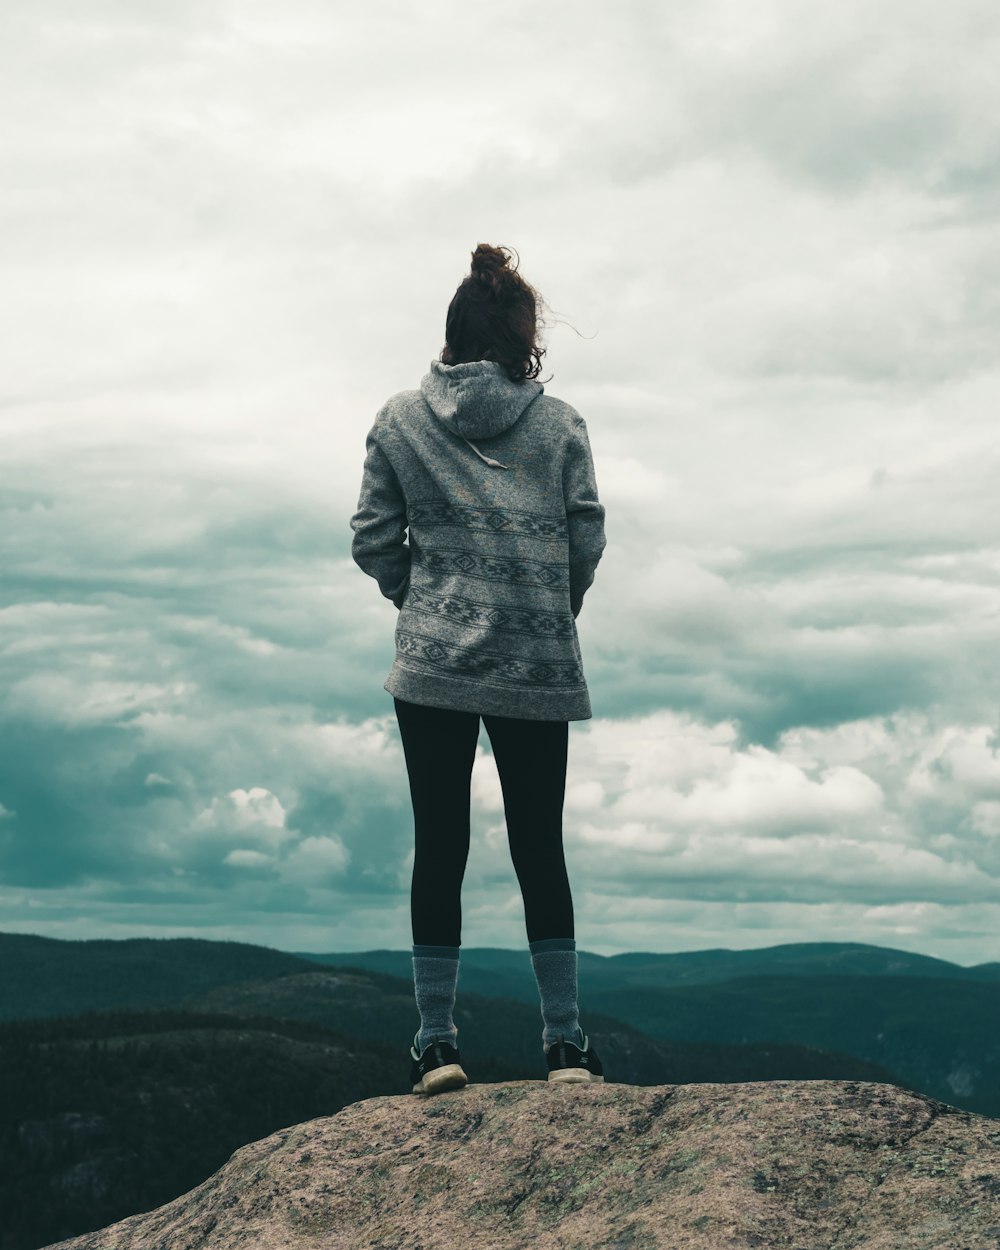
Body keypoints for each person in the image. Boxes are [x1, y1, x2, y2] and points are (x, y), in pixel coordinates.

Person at [350, 243, 607, 1096]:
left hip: (431, 666)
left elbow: (372, 536)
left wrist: (421, 604)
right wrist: (545, 610)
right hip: (536, 660)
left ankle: (436, 1044)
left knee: (440, 845)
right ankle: (565, 1047)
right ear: (521, 341)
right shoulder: (560, 424)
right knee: (542, 847)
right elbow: (586, 536)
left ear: (452, 337)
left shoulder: (398, 420)